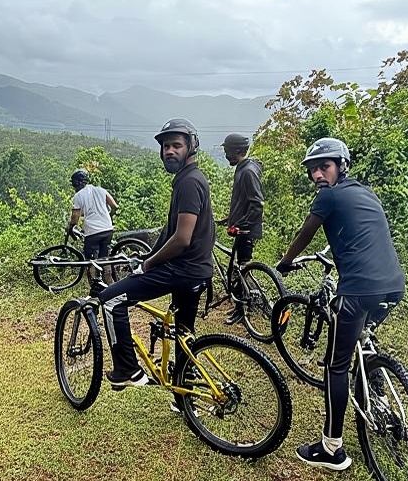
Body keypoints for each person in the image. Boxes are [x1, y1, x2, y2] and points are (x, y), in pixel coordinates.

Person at [275, 137, 405, 470]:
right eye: (313, 170)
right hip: (393, 287)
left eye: (324, 167)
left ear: (341, 166)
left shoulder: (328, 197)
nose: (318, 175)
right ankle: (378, 400)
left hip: (358, 290)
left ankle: (331, 448)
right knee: (365, 340)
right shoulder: (365, 193)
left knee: (336, 365)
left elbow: (306, 233)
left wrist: (286, 261)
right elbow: (362, 234)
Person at [97, 118, 216, 389]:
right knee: (184, 333)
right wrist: (148, 255)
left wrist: (149, 263)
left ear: (192, 146)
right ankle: (186, 399)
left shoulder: (188, 183)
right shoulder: (190, 180)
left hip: (182, 269)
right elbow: (170, 231)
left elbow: (182, 239)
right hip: (197, 270)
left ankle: (127, 370)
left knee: (111, 301)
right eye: (165, 146)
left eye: (176, 145)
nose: (169, 151)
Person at [219, 133, 264, 325]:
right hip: (241, 228)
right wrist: (229, 219)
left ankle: (242, 309)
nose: (225, 154)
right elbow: (244, 202)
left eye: (227, 151)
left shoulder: (247, 171)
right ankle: (241, 306)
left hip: (246, 231)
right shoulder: (243, 168)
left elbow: (257, 204)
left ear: (236, 151)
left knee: (240, 270)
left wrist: (240, 225)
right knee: (238, 269)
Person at [67, 168, 117, 263]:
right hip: (107, 229)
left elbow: (74, 218)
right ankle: (105, 276)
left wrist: (71, 227)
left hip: (92, 232)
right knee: (104, 260)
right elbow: (115, 206)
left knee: (90, 262)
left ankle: (93, 277)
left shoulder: (78, 196)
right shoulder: (101, 190)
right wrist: (108, 215)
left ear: (77, 183)